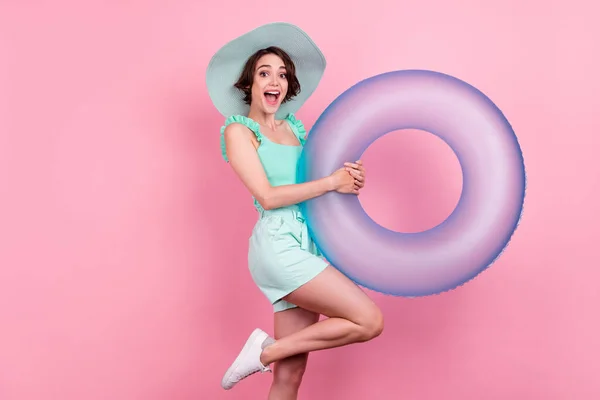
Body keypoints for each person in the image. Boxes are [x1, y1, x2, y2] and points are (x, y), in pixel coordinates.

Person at [206, 22, 384, 399]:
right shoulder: (239, 131)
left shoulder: (294, 131)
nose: (276, 80)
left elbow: (315, 189)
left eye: (283, 74)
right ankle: (264, 351)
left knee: (289, 376)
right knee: (368, 320)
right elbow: (269, 196)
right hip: (278, 244)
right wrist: (329, 182)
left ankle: (267, 352)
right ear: (249, 84)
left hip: (308, 243)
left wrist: (348, 181)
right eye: (264, 72)